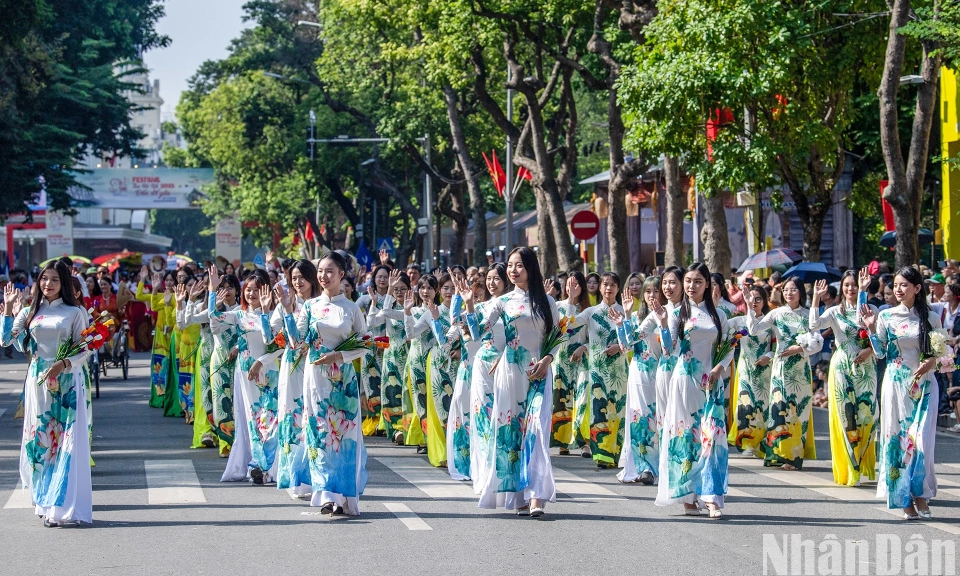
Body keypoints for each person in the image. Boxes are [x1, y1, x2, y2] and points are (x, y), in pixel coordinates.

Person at [462, 247, 558, 517]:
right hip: (510, 373)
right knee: (512, 431)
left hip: (538, 372)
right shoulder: (503, 302)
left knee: (536, 430)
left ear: (531, 268)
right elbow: (478, 333)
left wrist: (548, 359)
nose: (514, 271)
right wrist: (470, 304)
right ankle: (518, 495)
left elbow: (559, 336)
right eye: (511, 266)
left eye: (519, 266)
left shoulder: (547, 302)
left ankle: (537, 494)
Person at [1, 262, 92, 526]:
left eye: (54, 279)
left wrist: (63, 364)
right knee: (40, 440)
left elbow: (85, 347)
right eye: (44, 279)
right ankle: (44, 500)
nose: (47, 284)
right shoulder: (31, 311)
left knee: (65, 442)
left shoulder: (75, 312)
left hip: (66, 381)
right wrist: (8, 308)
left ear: (64, 283)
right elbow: (6, 340)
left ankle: (60, 505)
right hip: (38, 380)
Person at [284, 251, 368, 516]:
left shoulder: (352, 308)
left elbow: (365, 344)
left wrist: (339, 356)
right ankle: (325, 494)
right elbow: (297, 341)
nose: (323, 276)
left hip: (342, 380)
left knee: (343, 437)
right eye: (320, 271)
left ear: (341, 275)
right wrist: (288, 312)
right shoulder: (310, 307)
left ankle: (342, 495)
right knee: (320, 432)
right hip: (316, 379)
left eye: (329, 271)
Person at [652, 262, 733, 519]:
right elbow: (668, 348)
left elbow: (729, 347)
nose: (691, 286)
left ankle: (711, 498)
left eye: (698, 281)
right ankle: (688, 498)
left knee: (712, 436)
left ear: (707, 284)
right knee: (687, 435)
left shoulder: (718, 315)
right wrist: (664, 324)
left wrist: (720, 369)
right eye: (688, 281)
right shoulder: (678, 314)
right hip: (685, 381)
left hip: (711, 382)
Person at [860, 266, 941, 520]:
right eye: (896, 285)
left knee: (921, 442)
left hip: (925, 386)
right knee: (897, 440)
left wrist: (932, 362)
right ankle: (903, 499)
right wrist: (872, 329)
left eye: (905, 284)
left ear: (918, 288)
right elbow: (882, 353)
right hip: (895, 385)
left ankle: (920, 495)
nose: (898, 289)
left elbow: (940, 354)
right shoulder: (886, 316)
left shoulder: (932, 317)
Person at [208, 267, 282, 485]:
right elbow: (214, 322)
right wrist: (212, 292)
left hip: (268, 373)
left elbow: (273, 343)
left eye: (257, 290)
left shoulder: (274, 316)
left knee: (270, 419)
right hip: (246, 374)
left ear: (265, 292)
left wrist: (266, 313)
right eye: (248, 290)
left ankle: (267, 465)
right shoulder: (239, 315)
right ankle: (257, 465)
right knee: (252, 419)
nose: (251, 294)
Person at [745, 276, 822, 470]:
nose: (789, 293)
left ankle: (794, 457)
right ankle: (778, 454)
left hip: (800, 370)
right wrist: (749, 307)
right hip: (780, 369)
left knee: (798, 411)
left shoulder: (807, 314)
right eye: (786, 290)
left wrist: (800, 349)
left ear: (801, 293)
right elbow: (753, 330)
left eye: (794, 289)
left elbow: (817, 340)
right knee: (778, 409)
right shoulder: (776, 314)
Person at [809, 270, 878, 487]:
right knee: (846, 417)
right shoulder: (834, 312)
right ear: (841, 288)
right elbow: (813, 325)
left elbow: (868, 327)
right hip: (842, 367)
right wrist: (815, 298)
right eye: (847, 285)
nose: (851, 289)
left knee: (867, 416)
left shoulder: (871, 309)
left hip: (866, 369)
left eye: (855, 285)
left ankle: (862, 460)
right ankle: (851, 468)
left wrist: (869, 351)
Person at [260, 260, 320, 496]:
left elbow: (305, 339)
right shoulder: (287, 303)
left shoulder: (318, 304)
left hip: (315, 365)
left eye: (302, 276)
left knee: (314, 418)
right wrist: (267, 311)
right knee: (293, 418)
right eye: (294, 277)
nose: (298, 281)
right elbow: (269, 339)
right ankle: (297, 478)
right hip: (292, 368)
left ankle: (316, 475)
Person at [446, 263, 510, 481]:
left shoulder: (511, 306)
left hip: (507, 367)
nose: (492, 284)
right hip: (482, 368)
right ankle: (481, 468)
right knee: (481, 416)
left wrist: (506, 356)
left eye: (496, 279)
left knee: (503, 417)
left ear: (506, 281)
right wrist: (462, 299)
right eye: (489, 279)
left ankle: (503, 466)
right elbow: (460, 325)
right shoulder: (482, 308)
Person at [564, 272, 628, 468]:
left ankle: (617, 453)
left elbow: (632, 339)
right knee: (599, 411)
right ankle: (602, 455)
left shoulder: (624, 311)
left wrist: (619, 346)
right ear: (600, 288)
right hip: (598, 371)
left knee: (617, 410)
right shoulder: (590, 312)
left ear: (618, 289)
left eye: (613, 285)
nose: (608, 288)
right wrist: (572, 299)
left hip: (618, 370)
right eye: (605, 284)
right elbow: (569, 326)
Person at [612, 274, 665, 484]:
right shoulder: (635, 317)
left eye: (656, 290)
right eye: (648, 291)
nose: (652, 295)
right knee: (641, 417)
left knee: (661, 417)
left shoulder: (668, 316)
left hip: (663, 371)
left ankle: (662, 464)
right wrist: (624, 317)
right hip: (640, 372)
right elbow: (626, 346)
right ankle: (644, 467)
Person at [726, 284, 774, 456]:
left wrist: (769, 355)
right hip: (746, 367)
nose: (754, 302)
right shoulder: (739, 321)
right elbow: (720, 329)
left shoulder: (770, 321)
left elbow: (776, 344)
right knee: (745, 403)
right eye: (751, 298)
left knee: (763, 405)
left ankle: (761, 441)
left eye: (758, 299)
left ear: (764, 301)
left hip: (765, 368)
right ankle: (746, 442)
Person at [366, 270, 411, 443]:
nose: (399, 292)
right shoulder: (388, 309)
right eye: (396, 289)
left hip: (408, 355)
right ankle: (395, 429)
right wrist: (374, 302)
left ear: (410, 289)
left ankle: (408, 429)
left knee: (407, 393)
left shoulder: (414, 309)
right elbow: (371, 323)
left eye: (403, 288)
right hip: (392, 356)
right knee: (392, 392)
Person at [177, 275, 220, 449]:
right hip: (206, 352)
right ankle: (205, 431)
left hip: (227, 353)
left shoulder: (233, 307)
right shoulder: (197, 306)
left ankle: (224, 431)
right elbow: (182, 324)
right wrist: (187, 300)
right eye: (207, 284)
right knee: (205, 393)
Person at [551, 271, 590, 456]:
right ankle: (564, 440)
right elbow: (564, 329)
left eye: (575, 284)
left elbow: (595, 338)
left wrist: (584, 347)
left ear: (582, 287)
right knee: (561, 400)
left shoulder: (588, 310)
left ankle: (584, 442)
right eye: (568, 284)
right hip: (560, 360)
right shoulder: (558, 307)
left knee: (581, 397)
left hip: (581, 359)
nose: (571, 288)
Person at [421, 273, 458, 467]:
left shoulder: (464, 310)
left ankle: (459, 451)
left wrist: (462, 350)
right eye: (446, 288)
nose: (449, 292)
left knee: (457, 407)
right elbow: (411, 333)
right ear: (439, 290)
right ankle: (442, 451)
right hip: (438, 363)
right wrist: (408, 312)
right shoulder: (432, 310)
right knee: (440, 408)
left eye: (453, 288)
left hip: (460, 364)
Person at [208, 274, 242, 457]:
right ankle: (225, 444)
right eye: (222, 288)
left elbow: (247, 332)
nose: (226, 292)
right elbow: (214, 329)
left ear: (237, 290)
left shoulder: (241, 310)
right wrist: (213, 302)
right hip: (220, 359)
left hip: (238, 360)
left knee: (237, 400)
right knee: (221, 401)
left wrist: (237, 347)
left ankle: (239, 443)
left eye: (230, 287)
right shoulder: (216, 312)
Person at [136, 267, 177, 411]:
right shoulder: (160, 295)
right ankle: (159, 398)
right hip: (160, 337)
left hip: (173, 336)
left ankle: (171, 399)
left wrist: (167, 304)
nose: (169, 283)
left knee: (171, 368)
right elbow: (140, 296)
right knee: (159, 368)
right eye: (167, 280)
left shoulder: (179, 298)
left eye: (172, 280)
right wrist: (145, 282)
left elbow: (171, 320)